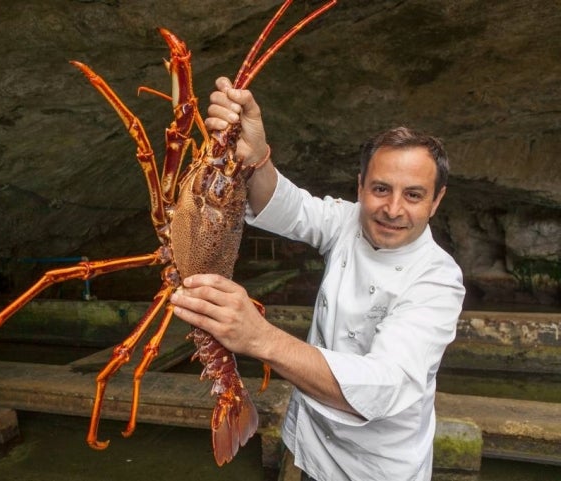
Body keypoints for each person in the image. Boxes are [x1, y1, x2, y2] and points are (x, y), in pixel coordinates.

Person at [170, 77, 466, 481]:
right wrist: (255, 154)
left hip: (377, 469)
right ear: (360, 187)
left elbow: (384, 385)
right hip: (308, 444)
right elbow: (288, 206)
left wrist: (258, 337)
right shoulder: (350, 221)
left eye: (413, 195)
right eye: (380, 189)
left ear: (436, 201)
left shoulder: (439, 279)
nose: (393, 209)